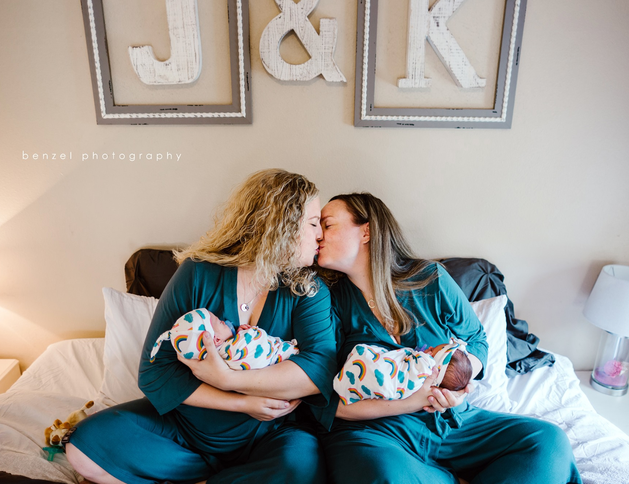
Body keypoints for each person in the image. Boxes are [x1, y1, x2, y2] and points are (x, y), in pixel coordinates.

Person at [65, 169, 337, 484]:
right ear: (280, 225)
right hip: (186, 431)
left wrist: (229, 376)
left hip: (268, 433)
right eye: (313, 223)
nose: (320, 235)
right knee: (82, 448)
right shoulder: (199, 273)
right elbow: (155, 373)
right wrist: (242, 402)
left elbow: (318, 370)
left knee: (301, 467)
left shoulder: (309, 289)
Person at [316, 193, 582, 484]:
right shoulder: (325, 301)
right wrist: (411, 403)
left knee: (548, 442)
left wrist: (460, 382)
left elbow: (477, 340)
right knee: (380, 474)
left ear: (366, 231)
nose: (318, 234)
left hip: (453, 422)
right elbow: (326, 402)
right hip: (378, 432)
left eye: (326, 225)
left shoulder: (430, 279)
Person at [149, 307, 299, 370]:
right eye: (220, 323)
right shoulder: (232, 351)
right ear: (216, 340)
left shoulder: (223, 356)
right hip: (288, 358)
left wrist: (238, 333)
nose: (226, 321)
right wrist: (249, 331)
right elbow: (255, 343)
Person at [334, 339, 471, 405]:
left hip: (390, 383)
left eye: (434, 350)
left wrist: (424, 358)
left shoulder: (425, 366)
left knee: (377, 374)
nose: (430, 347)